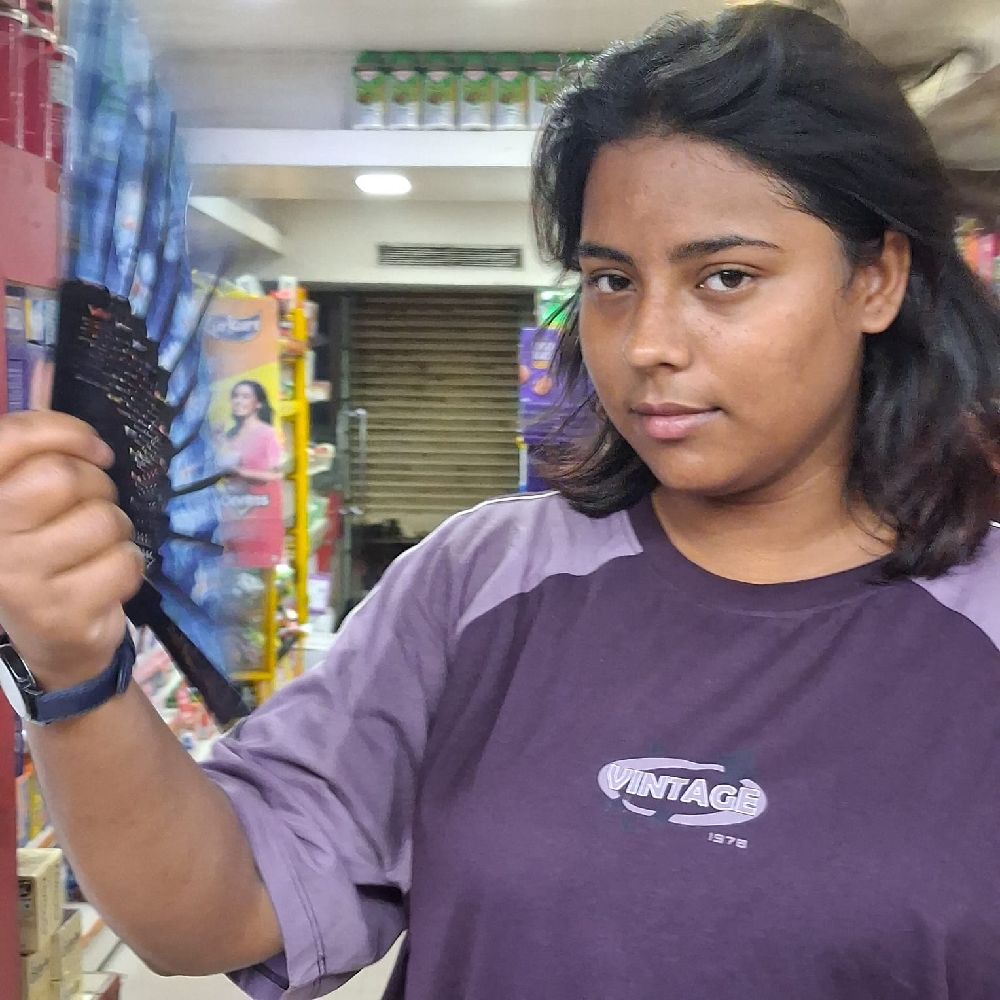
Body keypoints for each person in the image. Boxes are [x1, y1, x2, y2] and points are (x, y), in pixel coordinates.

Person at [0, 5, 998, 999]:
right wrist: (74, 666)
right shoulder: (482, 579)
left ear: (876, 279)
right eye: (611, 280)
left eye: (725, 277)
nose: (648, 342)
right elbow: (213, 907)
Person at [217, 380, 285, 568]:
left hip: (260, 513)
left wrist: (240, 472)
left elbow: (276, 475)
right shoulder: (230, 434)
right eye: (235, 396)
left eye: (245, 397)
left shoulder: (268, 434)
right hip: (233, 512)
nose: (239, 401)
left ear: (258, 404)